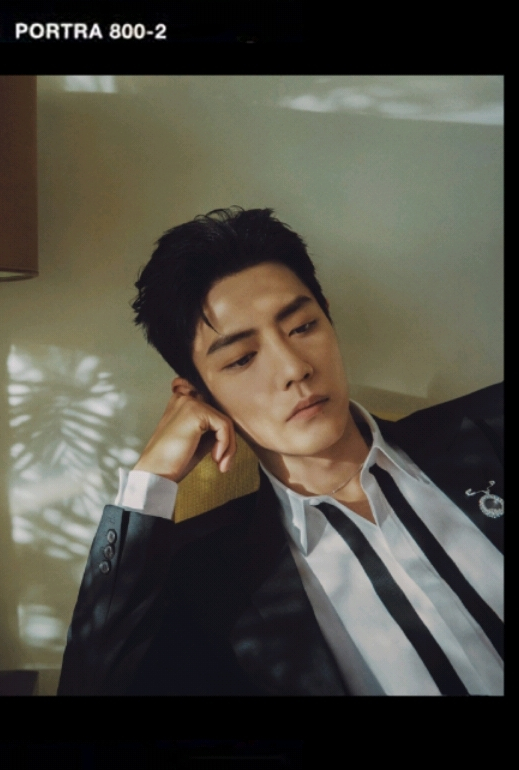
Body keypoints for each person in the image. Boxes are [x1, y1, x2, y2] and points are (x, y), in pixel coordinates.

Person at [58, 207, 503, 695]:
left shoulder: (486, 430)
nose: (294, 368)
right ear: (198, 395)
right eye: (242, 358)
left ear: (328, 317)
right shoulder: (206, 583)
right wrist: (150, 482)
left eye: (303, 327)